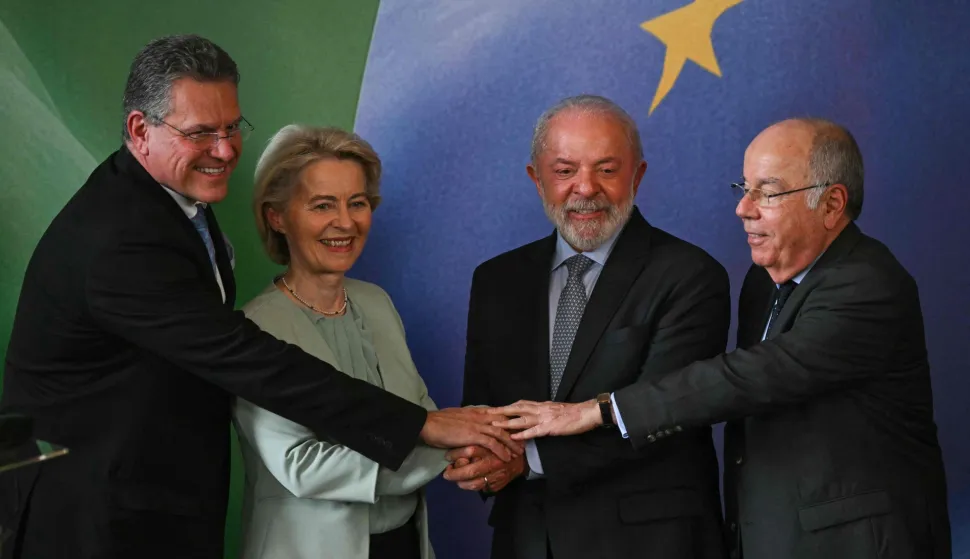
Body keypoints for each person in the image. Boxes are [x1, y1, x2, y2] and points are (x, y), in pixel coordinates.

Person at [0, 34, 516, 559]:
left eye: (231, 128)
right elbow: (247, 360)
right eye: (201, 132)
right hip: (92, 521)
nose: (225, 150)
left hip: (145, 502)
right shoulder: (121, 238)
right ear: (140, 130)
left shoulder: (174, 205)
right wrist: (427, 431)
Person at [493, 118, 952, 559]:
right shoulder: (764, 282)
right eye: (743, 188)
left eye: (767, 193)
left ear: (831, 205)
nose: (743, 208)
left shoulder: (867, 284)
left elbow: (752, 378)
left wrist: (599, 409)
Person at [445, 95, 730, 559]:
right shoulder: (497, 280)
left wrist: (525, 461)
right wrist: (480, 455)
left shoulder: (690, 275)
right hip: (527, 539)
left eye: (607, 169)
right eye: (564, 171)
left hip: (648, 543)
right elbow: (484, 407)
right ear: (536, 179)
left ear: (636, 176)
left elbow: (664, 414)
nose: (585, 187)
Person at [232, 124, 447, 559]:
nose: (345, 222)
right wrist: (449, 455)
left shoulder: (377, 303)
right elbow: (303, 465)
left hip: (404, 544)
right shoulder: (254, 328)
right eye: (322, 205)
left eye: (358, 203)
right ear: (277, 216)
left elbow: (422, 411)